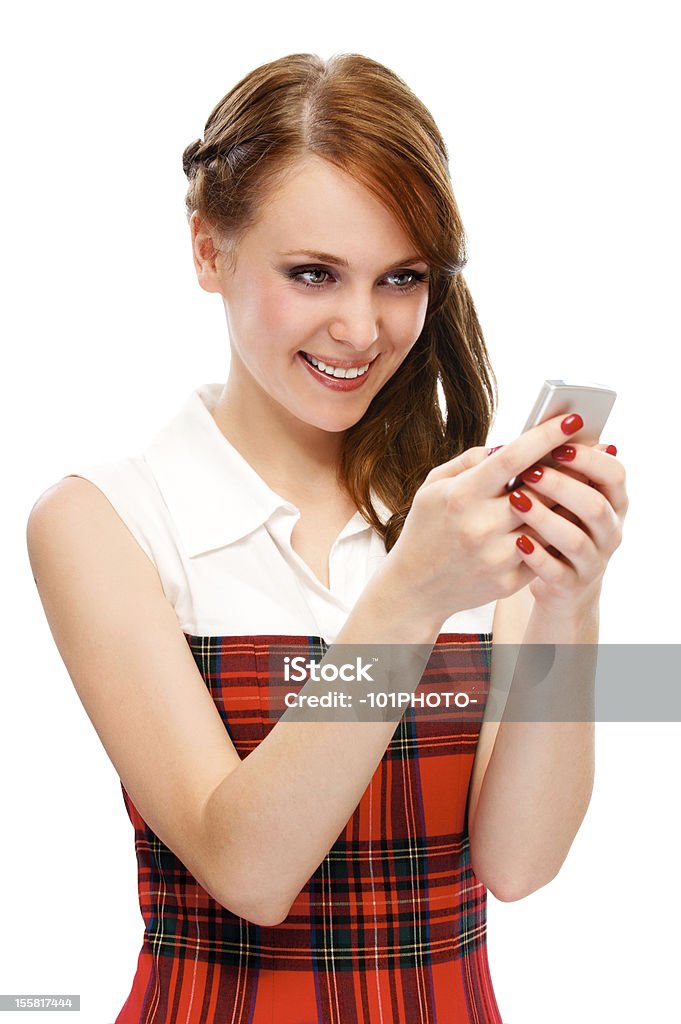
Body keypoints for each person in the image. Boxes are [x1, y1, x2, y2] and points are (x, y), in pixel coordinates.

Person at [26, 51, 628, 1024]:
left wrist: (569, 597)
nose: (360, 327)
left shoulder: (467, 517)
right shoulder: (106, 521)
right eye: (314, 273)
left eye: (400, 278)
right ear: (208, 251)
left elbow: (518, 864)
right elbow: (248, 868)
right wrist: (410, 597)